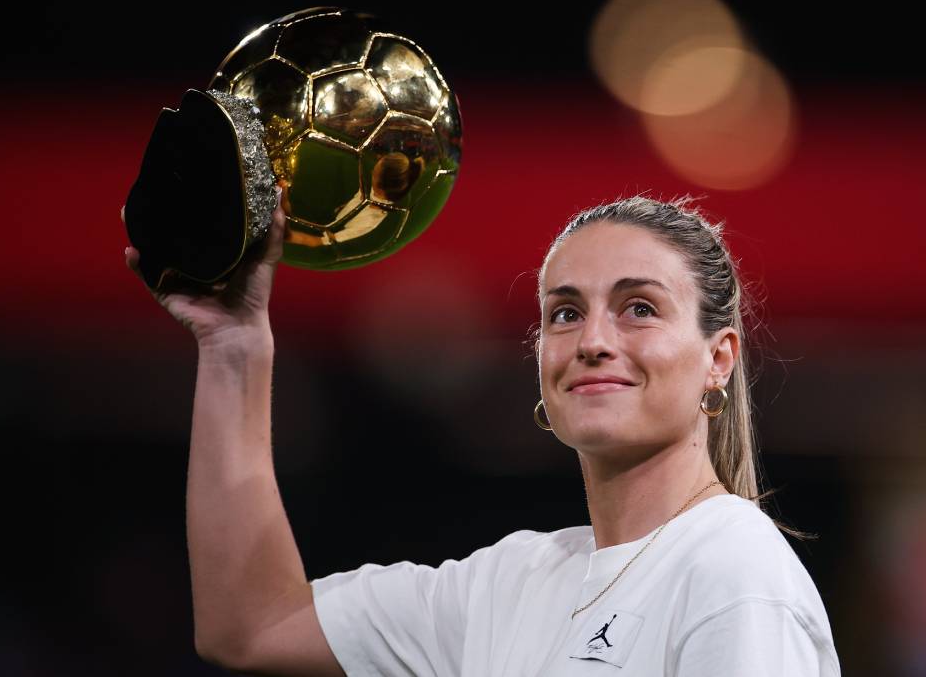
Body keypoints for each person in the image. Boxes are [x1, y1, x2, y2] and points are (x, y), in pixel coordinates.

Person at [122, 192, 841, 676]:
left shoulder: (732, 566)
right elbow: (251, 624)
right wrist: (233, 346)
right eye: (564, 313)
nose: (592, 339)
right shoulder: (510, 582)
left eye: (638, 308)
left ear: (718, 358)